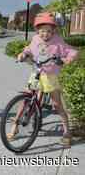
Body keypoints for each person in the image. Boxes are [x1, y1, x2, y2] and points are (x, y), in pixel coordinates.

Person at [8, 12, 78, 145]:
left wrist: (64, 60)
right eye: (42, 31)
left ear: (53, 31)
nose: (45, 34)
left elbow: (73, 52)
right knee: (25, 100)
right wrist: (23, 54)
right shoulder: (35, 39)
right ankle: (15, 125)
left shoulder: (58, 41)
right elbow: (28, 49)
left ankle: (67, 132)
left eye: (48, 31)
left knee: (57, 105)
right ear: (37, 30)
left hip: (50, 76)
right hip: (36, 73)